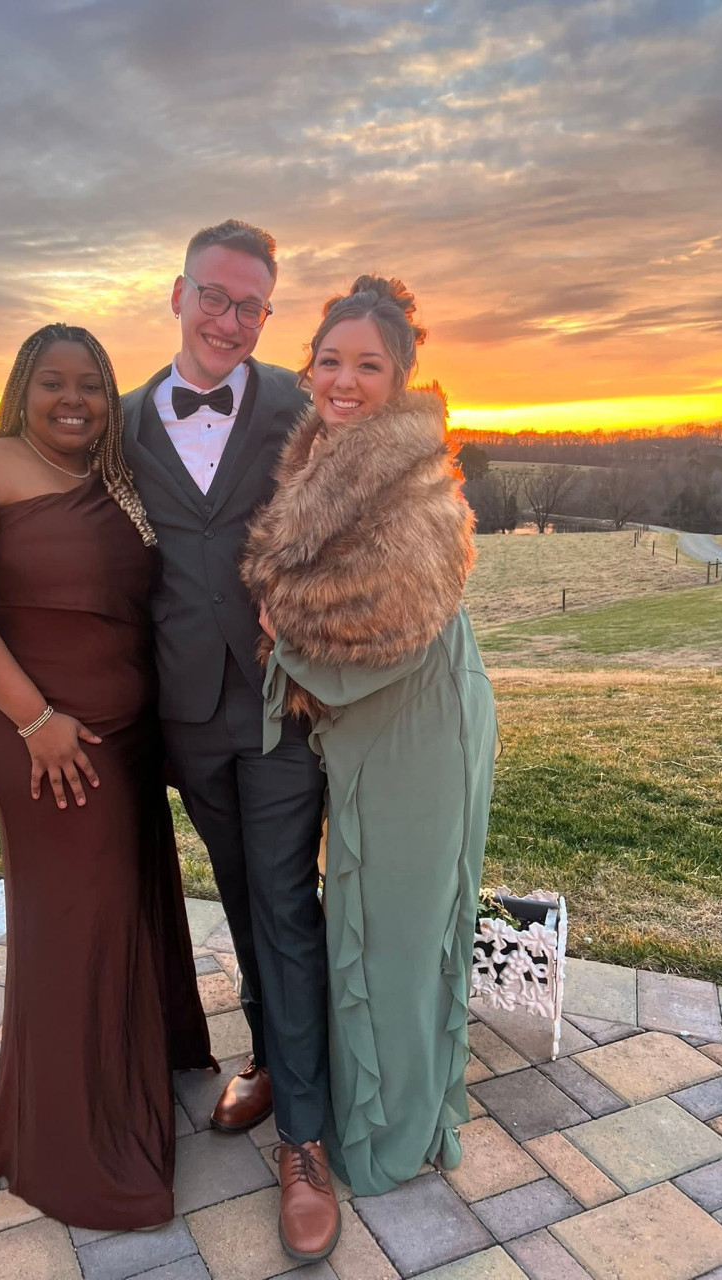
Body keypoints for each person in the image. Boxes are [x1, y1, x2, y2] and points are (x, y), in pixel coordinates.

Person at [0, 323, 213, 1230]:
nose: (73, 399)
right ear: (23, 386)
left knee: (123, 907)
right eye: (54, 381)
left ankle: (132, 1069)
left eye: (91, 384)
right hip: (43, 736)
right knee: (76, 922)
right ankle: (71, 1148)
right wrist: (36, 720)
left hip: (126, 738)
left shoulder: (115, 480)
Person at [242, 277, 497, 1197]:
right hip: (364, 726)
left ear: (401, 378)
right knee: (359, 916)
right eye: (330, 361)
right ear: (309, 367)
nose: (343, 382)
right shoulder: (323, 455)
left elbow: (390, 629)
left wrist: (283, 625)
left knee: (398, 934)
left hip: (418, 721)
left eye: (368, 366)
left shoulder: (416, 482)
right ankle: (362, 1111)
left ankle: (391, 1136)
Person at [122, 221, 341, 1262]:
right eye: (214, 296)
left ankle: (305, 1138)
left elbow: (352, 521)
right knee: (242, 892)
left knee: (286, 896)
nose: (229, 319)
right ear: (177, 295)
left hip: (279, 703)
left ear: (267, 315)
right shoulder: (121, 422)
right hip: (185, 712)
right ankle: (272, 1054)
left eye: (251, 305)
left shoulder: (303, 407)